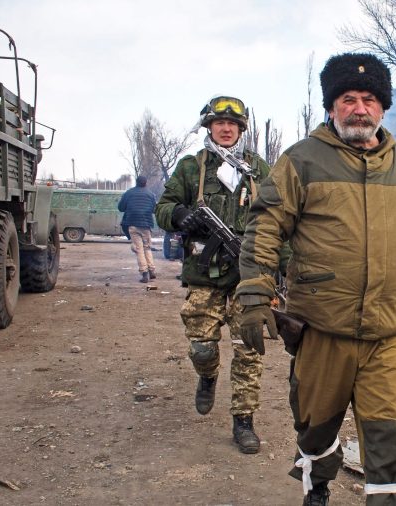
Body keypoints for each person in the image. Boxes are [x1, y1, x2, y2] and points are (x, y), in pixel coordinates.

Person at [236, 53, 396, 506]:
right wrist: (254, 293)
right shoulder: (300, 161)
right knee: (315, 424)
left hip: (387, 332)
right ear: (332, 107)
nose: (359, 108)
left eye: (369, 99)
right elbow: (265, 226)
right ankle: (318, 487)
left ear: (384, 108)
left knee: (388, 433)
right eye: (348, 99)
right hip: (322, 329)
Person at [154, 95, 271, 454]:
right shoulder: (192, 167)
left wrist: (278, 267)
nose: (225, 129)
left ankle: (243, 422)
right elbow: (163, 207)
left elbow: (275, 218)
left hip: (247, 277)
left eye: (232, 125)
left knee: (248, 351)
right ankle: (207, 376)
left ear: (241, 129)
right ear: (209, 127)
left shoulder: (258, 170)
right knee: (202, 348)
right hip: (204, 275)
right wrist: (179, 216)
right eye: (219, 123)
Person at [118, 175, 157, 283]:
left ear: (136, 182)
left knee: (139, 249)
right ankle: (152, 271)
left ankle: (144, 273)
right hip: (146, 225)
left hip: (133, 224)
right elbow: (154, 209)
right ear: (146, 183)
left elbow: (120, 208)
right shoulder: (150, 194)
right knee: (147, 248)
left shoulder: (129, 193)